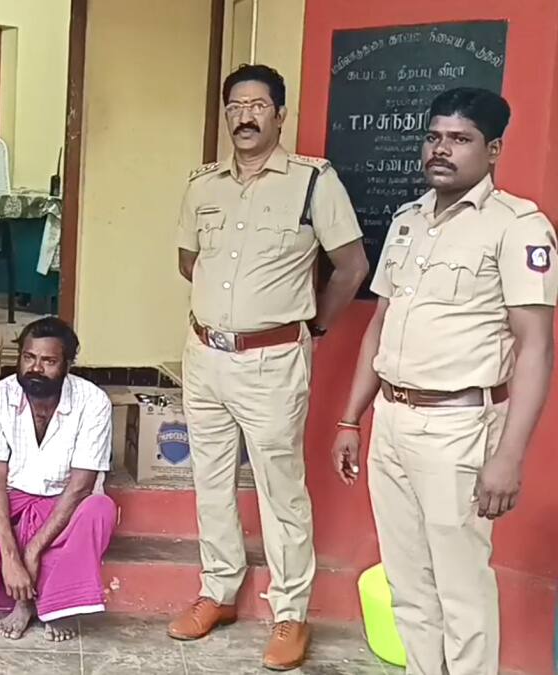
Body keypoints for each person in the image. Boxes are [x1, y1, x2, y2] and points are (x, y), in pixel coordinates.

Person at [330, 88, 556, 675]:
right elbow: (379, 327)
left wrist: (509, 457)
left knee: (461, 589)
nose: (441, 149)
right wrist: (351, 418)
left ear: (493, 149)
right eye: (434, 137)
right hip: (392, 422)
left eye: (460, 139)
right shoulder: (408, 222)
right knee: (408, 585)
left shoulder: (517, 227)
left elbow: (536, 348)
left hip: (459, 428)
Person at [171, 64, 369, 670]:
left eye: (258, 106)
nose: (245, 116)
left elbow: (352, 267)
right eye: (235, 106)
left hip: (273, 361)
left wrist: (314, 327)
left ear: (280, 115)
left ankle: (290, 613)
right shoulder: (202, 184)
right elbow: (188, 262)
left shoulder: (313, 182)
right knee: (210, 480)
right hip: (205, 355)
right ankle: (218, 591)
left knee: (281, 489)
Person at [0, 317, 116, 643]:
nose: (36, 368)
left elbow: (81, 487)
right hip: (12, 497)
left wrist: (31, 552)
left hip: (63, 502)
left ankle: (52, 605)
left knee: (100, 509)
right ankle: (2, 598)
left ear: (68, 364)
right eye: (29, 357)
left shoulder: (93, 401)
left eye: (48, 361)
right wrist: (11, 557)